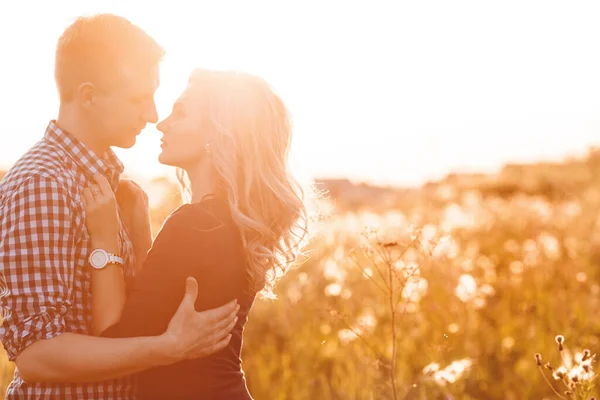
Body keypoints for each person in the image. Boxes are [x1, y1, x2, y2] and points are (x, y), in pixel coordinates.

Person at [0, 14, 238, 399]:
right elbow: (36, 355)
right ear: (90, 96)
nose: (152, 114)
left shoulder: (113, 190)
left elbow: (128, 316)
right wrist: (169, 348)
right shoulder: (43, 183)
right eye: (138, 98)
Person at [82, 68, 310, 399]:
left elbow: (113, 342)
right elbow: (158, 307)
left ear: (217, 133)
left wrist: (104, 242)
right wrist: (140, 227)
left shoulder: (195, 224)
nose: (162, 123)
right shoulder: (233, 223)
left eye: (181, 112)